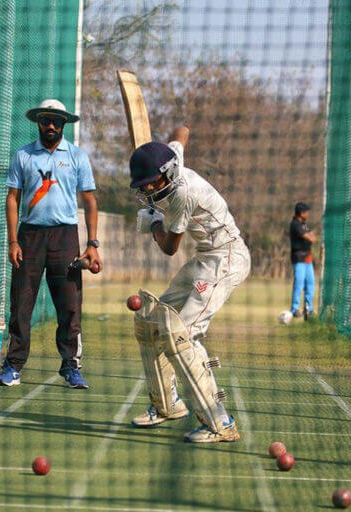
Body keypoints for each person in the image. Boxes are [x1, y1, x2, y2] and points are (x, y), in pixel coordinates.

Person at [128, 126, 251, 443]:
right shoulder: (172, 160)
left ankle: (220, 422)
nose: (149, 190)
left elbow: (169, 246)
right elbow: (182, 133)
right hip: (206, 256)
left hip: (226, 258)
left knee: (182, 333)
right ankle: (167, 406)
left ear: (168, 173)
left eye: (151, 184)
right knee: (154, 319)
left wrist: (154, 222)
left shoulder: (182, 193)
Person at [0, 99, 103, 389]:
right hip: (29, 237)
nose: (51, 125)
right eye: (46, 120)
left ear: (64, 123)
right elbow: (12, 199)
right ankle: (13, 366)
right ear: (38, 123)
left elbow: (90, 201)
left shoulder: (77, 156)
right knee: (21, 304)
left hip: (65, 237)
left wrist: (92, 244)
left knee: (70, 306)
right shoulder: (23, 155)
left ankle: (71, 366)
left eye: (57, 120)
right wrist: (13, 240)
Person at [289, 202, 317, 320]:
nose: (308, 214)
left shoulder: (304, 224)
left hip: (308, 258)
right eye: (306, 211)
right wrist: (310, 237)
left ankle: (308, 308)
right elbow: (308, 237)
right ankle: (295, 309)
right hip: (299, 258)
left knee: (310, 283)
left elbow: (313, 238)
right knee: (299, 283)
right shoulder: (295, 224)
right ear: (301, 213)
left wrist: (311, 236)